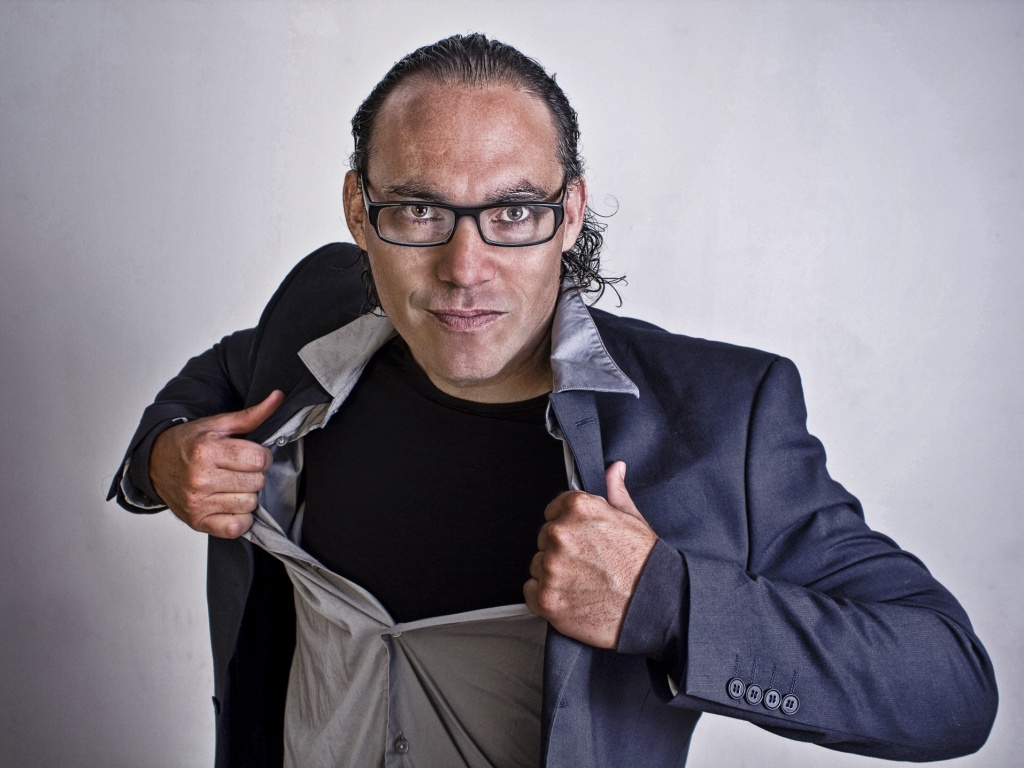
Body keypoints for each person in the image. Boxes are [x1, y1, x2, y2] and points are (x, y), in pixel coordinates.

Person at [109, 33, 997, 768]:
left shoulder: (720, 420)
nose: (465, 269)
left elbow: (950, 689)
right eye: (418, 211)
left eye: (513, 212)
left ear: (569, 213)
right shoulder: (314, 310)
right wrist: (163, 460)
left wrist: (668, 603)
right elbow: (217, 378)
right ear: (358, 209)